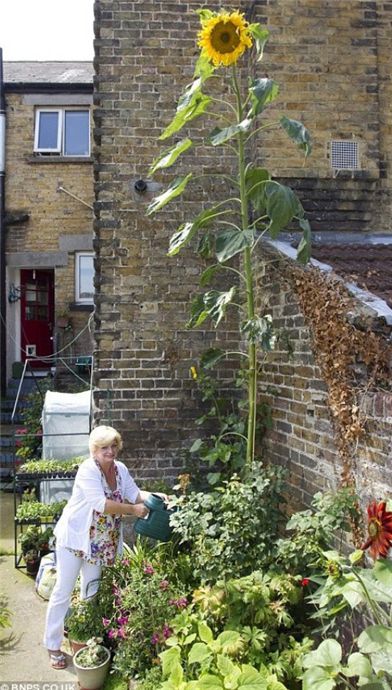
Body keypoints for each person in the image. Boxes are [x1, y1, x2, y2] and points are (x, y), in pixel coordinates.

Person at [43, 424, 166, 669]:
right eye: (103, 448)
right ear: (94, 450)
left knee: (91, 594)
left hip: (99, 544)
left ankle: (88, 643)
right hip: (74, 539)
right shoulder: (88, 470)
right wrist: (133, 511)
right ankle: (53, 645)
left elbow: (134, 494)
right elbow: (100, 503)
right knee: (62, 591)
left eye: (113, 446)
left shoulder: (120, 469)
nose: (110, 451)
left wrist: (156, 495)